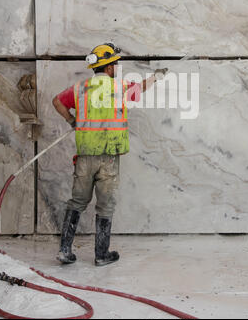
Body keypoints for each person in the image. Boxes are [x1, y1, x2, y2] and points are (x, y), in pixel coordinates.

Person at [52, 43, 168, 266]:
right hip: (109, 158)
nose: (116, 67)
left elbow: (57, 102)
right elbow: (141, 87)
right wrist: (156, 77)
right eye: (114, 63)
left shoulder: (80, 88)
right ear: (108, 68)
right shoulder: (119, 87)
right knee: (105, 205)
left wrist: (72, 120)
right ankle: (101, 255)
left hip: (85, 156)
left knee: (77, 202)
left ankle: (65, 251)